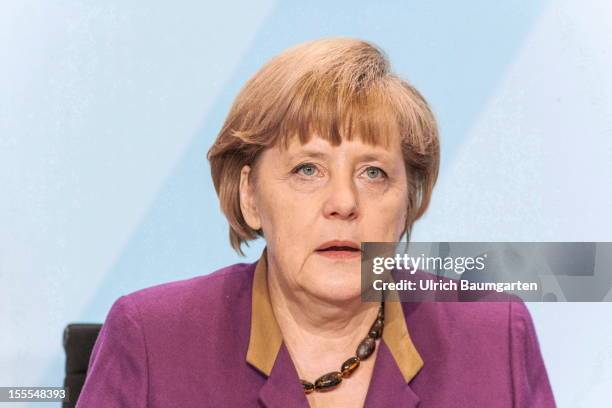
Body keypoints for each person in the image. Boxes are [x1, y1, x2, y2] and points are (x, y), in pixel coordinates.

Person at [76, 37, 556, 407]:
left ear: (407, 200)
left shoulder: (495, 338)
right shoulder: (152, 340)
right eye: (308, 169)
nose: (344, 202)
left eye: (373, 173)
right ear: (250, 197)